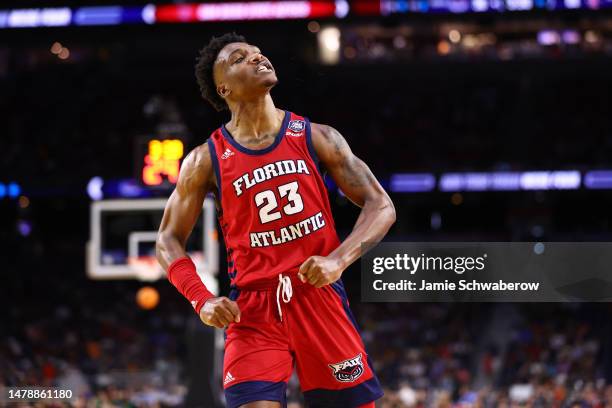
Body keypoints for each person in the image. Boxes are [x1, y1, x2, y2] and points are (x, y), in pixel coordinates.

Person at [156, 33, 395, 408]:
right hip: (253, 310)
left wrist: (338, 259)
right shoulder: (205, 160)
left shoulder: (317, 137)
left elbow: (381, 205)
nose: (256, 57)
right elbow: (167, 240)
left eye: (258, 52)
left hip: (319, 299)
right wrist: (200, 299)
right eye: (239, 58)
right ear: (223, 88)